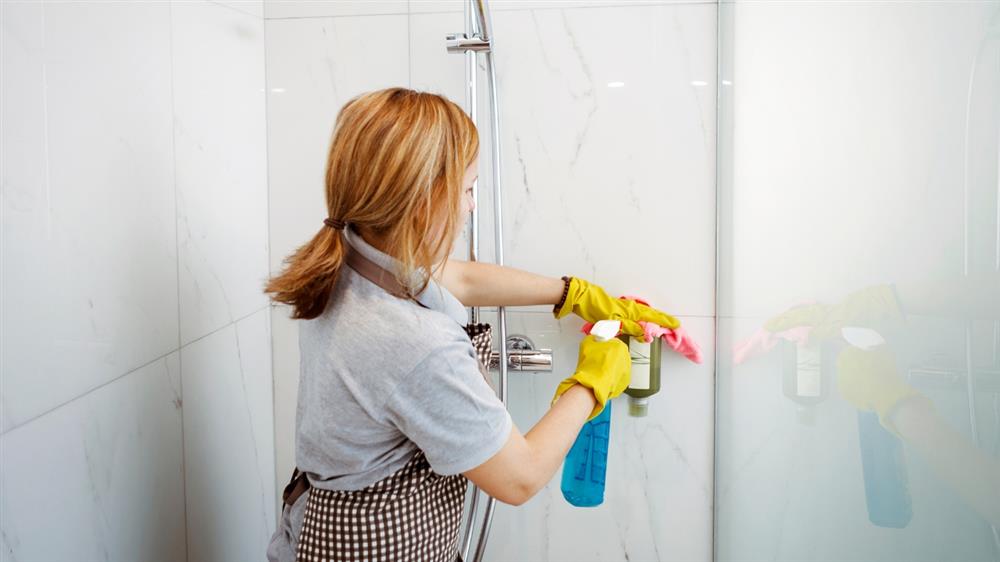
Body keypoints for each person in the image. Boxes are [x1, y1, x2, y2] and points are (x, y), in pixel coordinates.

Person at [263, 87, 683, 562]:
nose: (471, 207)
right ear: (423, 200)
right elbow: (520, 477)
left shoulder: (350, 263)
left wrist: (571, 292)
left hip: (319, 530)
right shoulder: (412, 342)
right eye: (467, 190)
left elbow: (458, 277)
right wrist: (592, 382)